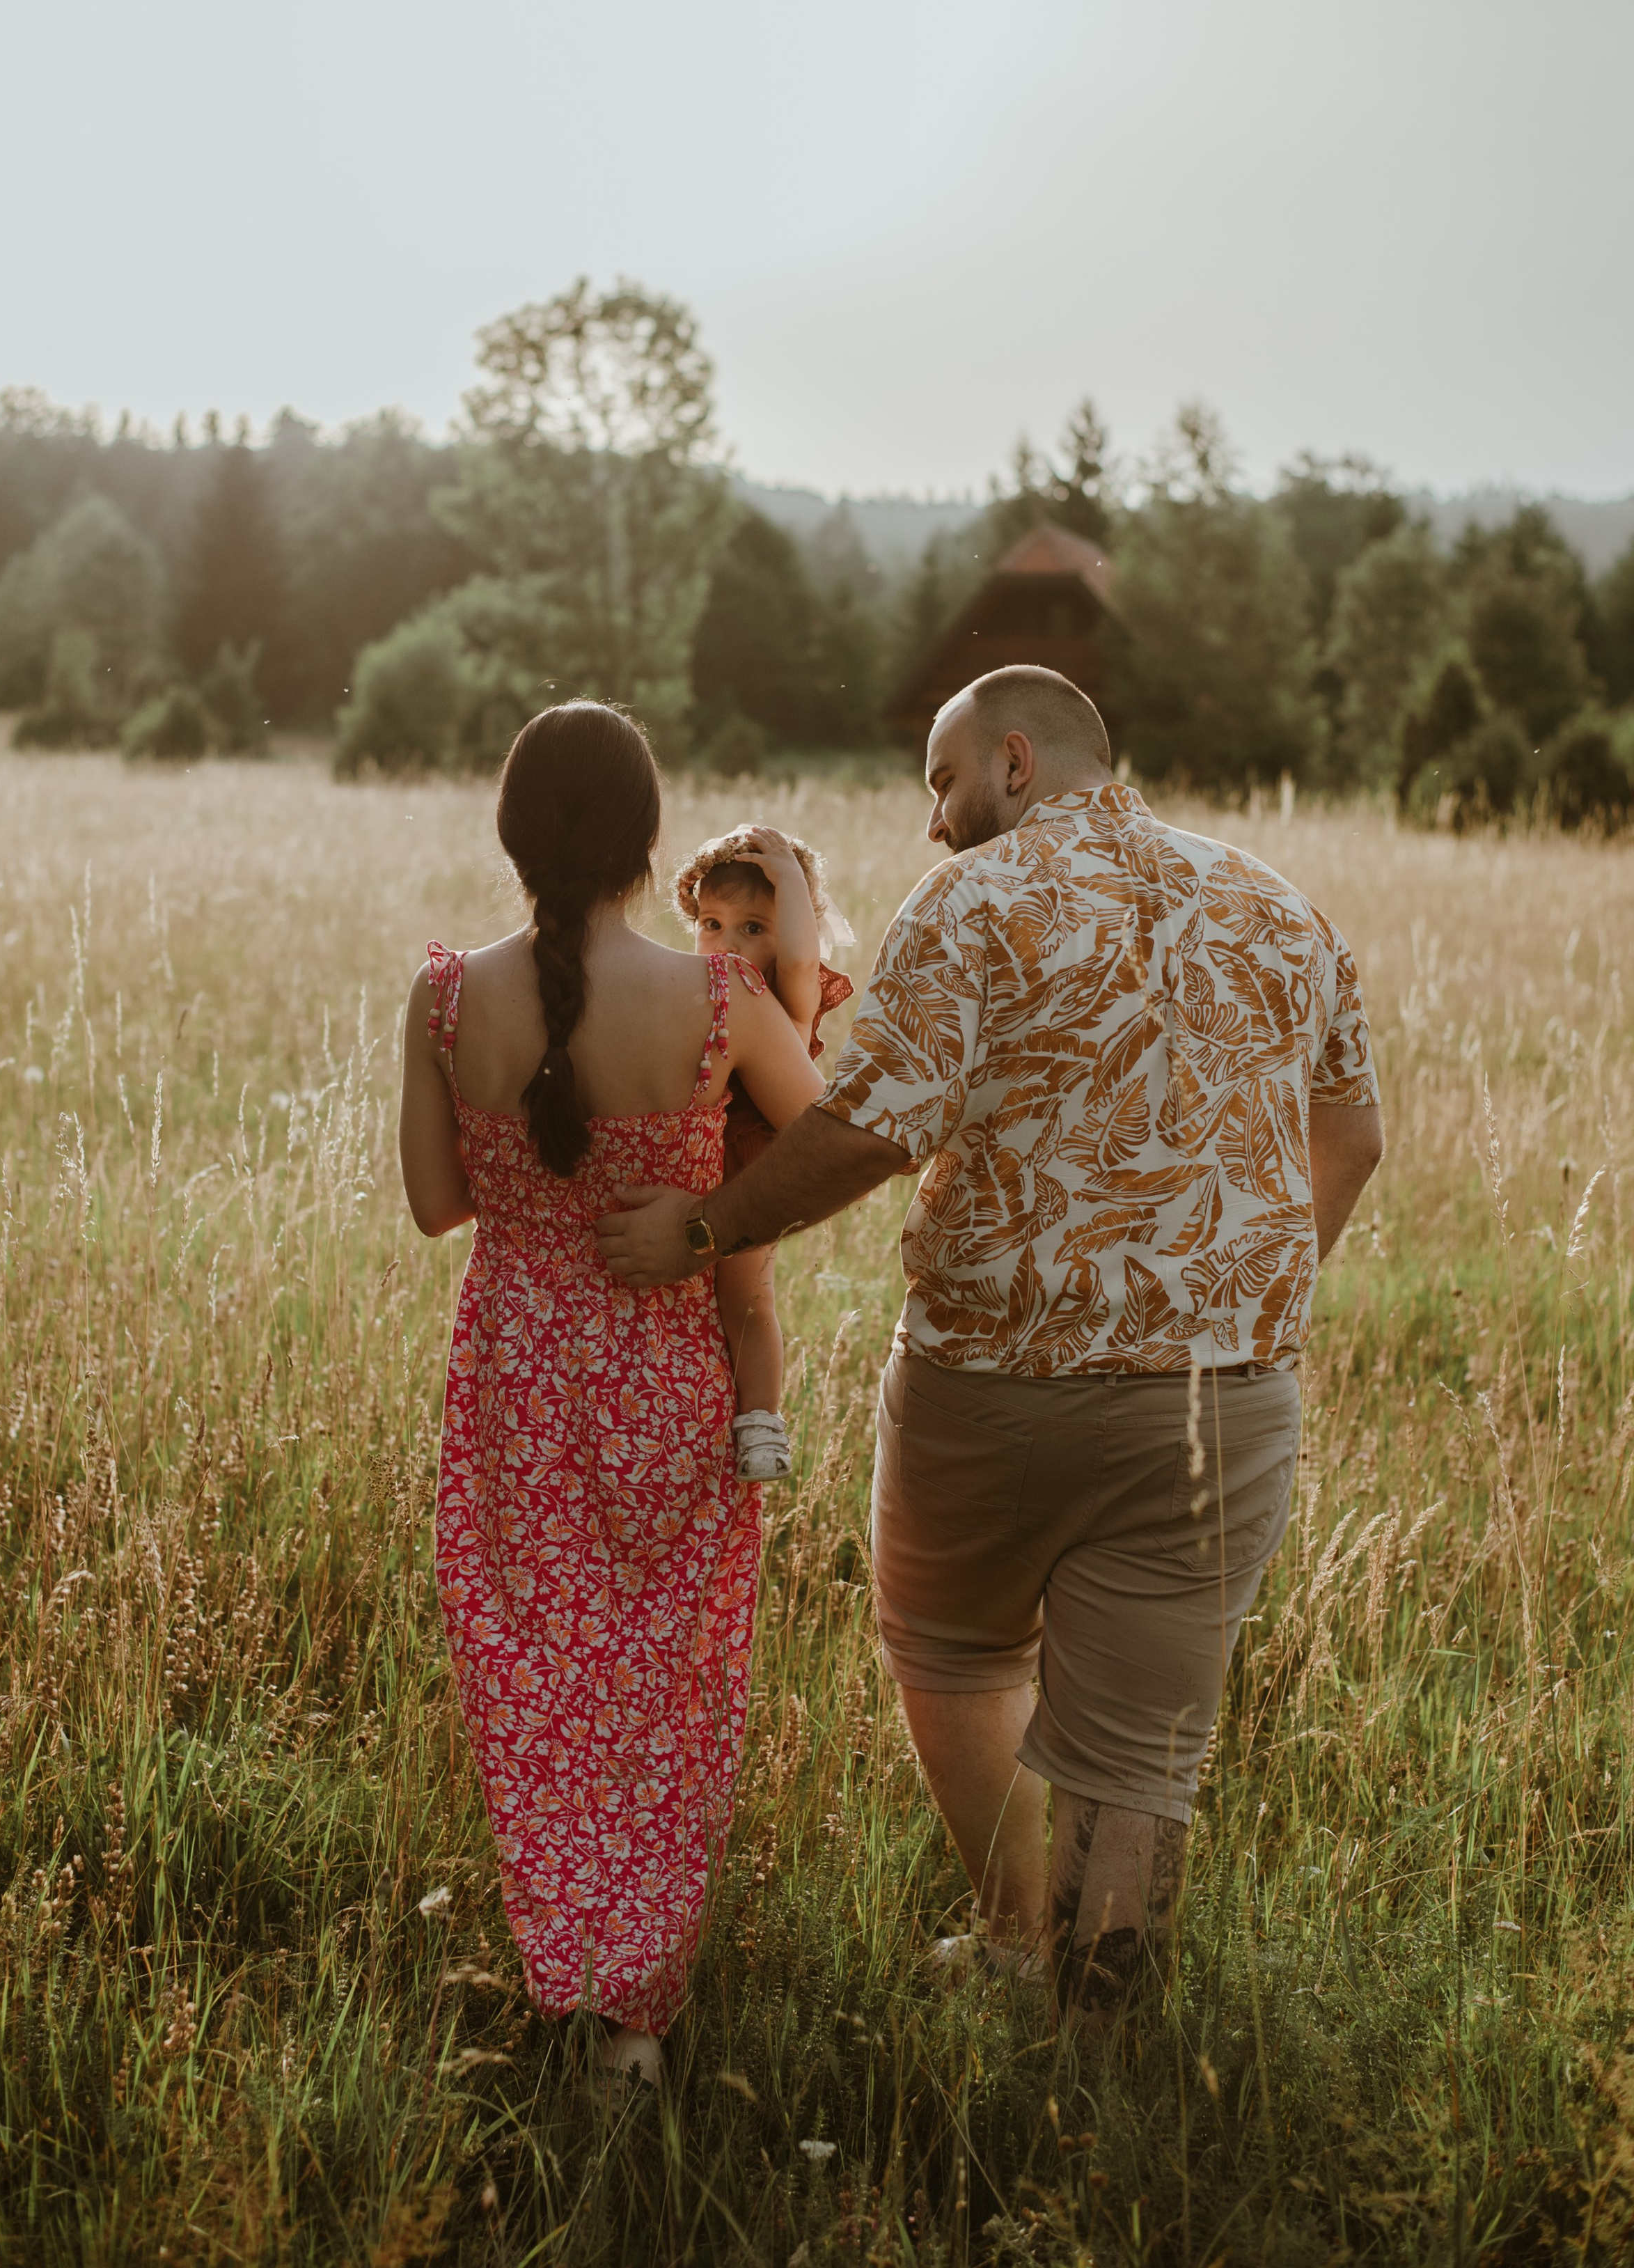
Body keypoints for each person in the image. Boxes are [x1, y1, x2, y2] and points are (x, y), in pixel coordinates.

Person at [597, 665, 1384, 2023]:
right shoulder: (1278, 906)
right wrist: (1237, 1295)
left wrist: (703, 1229)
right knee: (1138, 1752)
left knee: (956, 1650)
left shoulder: (970, 902)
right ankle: (1096, 2037)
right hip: (1220, 1405)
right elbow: (1354, 1135)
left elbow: (867, 1127)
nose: (931, 823)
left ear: (1013, 763)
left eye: (941, 783)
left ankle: (1018, 1939)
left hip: (994, 1386)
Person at [398, 702, 824, 2087]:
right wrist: (702, 1216)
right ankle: (632, 2016)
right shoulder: (720, 1003)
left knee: (535, 1681)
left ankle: (565, 1966)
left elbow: (432, 1205)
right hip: (665, 1371)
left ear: (512, 831)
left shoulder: (446, 996)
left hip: (515, 1378)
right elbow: (834, 1146)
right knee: (661, 1681)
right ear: (651, 845)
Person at [673, 823, 854, 1483]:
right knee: (699, 1295)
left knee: (745, 1294)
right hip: (695, 1154)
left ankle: (761, 1420)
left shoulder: (788, 997)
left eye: (754, 927)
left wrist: (793, 884)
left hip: (754, 1155)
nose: (726, 944)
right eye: (713, 924)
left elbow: (804, 960)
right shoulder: (693, 992)